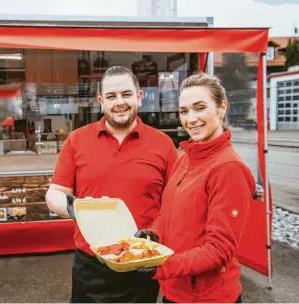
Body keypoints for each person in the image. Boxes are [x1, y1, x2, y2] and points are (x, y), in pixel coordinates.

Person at [45, 66, 178, 303]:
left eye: (126, 94)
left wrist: (155, 233)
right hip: (90, 265)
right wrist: (73, 207)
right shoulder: (77, 140)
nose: (120, 102)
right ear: (101, 101)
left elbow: (174, 203)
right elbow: (54, 193)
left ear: (139, 96)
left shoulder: (164, 144)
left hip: (142, 263)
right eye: (111, 96)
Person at [135, 73, 256, 303]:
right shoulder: (185, 158)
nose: (191, 119)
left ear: (222, 108)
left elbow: (219, 250)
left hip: (207, 298)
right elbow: (167, 212)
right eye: (184, 111)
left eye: (199, 108)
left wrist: (160, 266)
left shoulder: (229, 169)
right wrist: (153, 233)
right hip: (175, 292)